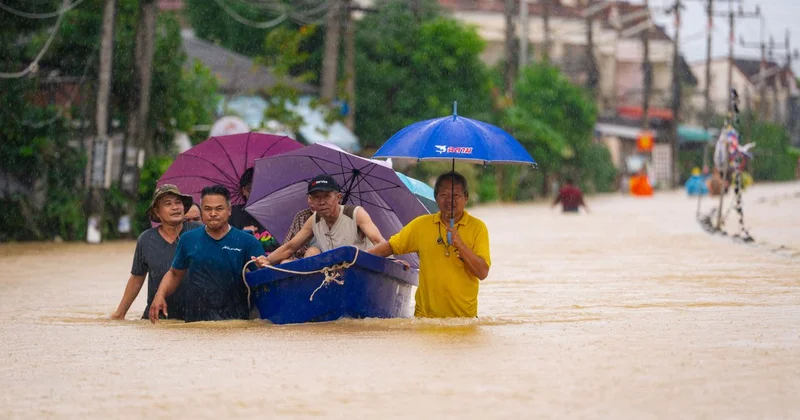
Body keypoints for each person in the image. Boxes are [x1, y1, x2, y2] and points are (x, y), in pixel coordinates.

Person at [367, 171, 491, 318]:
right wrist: (354, 259)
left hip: (464, 321)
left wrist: (461, 246)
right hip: (425, 320)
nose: (450, 201)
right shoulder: (421, 225)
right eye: (444, 195)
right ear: (436, 198)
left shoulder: (478, 228)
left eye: (456, 195)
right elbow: (389, 247)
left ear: (466, 198)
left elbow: (482, 273)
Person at [148, 185, 269, 323]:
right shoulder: (188, 239)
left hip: (235, 324)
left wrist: (263, 265)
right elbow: (175, 273)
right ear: (202, 211)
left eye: (219, 208)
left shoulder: (247, 241)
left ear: (229, 211)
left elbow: (263, 280)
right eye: (207, 209)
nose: (213, 213)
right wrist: (160, 294)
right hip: (196, 324)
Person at [110, 185, 200, 320]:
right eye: (168, 204)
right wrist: (120, 313)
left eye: (178, 202)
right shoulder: (146, 239)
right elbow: (136, 279)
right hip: (157, 317)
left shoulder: (199, 232)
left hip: (194, 317)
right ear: (157, 212)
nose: (175, 207)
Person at [258, 174, 386, 265]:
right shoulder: (314, 220)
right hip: (335, 275)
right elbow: (290, 247)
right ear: (310, 200)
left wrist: (391, 261)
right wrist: (267, 260)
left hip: (362, 270)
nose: (322, 202)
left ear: (338, 197)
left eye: (327, 196)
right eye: (316, 197)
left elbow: (378, 241)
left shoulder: (356, 214)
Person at [230, 167, 280, 253]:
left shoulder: (278, 213)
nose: (256, 193)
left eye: (260, 188)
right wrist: (240, 236)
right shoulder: (232, 214)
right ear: (244, 191)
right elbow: (227, 248)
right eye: (251, 188)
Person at [280, 197, 318, 262]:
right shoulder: (302, 216)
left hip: (329, 260)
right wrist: (267, 261)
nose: (311, 202)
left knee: (313, 251)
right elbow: (288, 248)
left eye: (316, 198)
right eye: (310, 197)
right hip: (304, 261)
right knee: (285, 262)